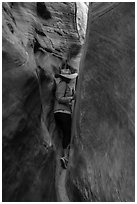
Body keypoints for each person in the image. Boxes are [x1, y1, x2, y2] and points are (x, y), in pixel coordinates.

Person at [54, 68, 78, 169]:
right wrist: (72, 98)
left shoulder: (64, 84)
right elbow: (59, 98)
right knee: (67, 133)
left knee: (65, 133)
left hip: (62, 112)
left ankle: (65, 155)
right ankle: (65, 156)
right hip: (63, 112)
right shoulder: (63, 84)